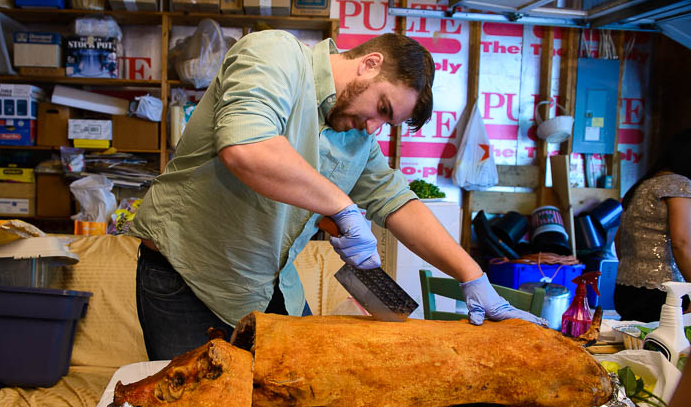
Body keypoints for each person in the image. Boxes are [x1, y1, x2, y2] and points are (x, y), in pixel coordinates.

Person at [127, 30, 546, 361]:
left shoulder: (356, 138)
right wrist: (343, 208)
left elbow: (397, 201)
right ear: (369, 63)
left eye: (387, 122)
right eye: (382, 108)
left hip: (269, 288)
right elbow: (246, 147)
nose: (373, 127)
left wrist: (473, 277)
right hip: (186, 280)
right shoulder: (274, 55)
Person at [614, 129, 691, 322]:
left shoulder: (643, 185)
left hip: (626, 288)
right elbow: (681, 242)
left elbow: (619, 240)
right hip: (664, 293)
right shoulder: (678, 185)